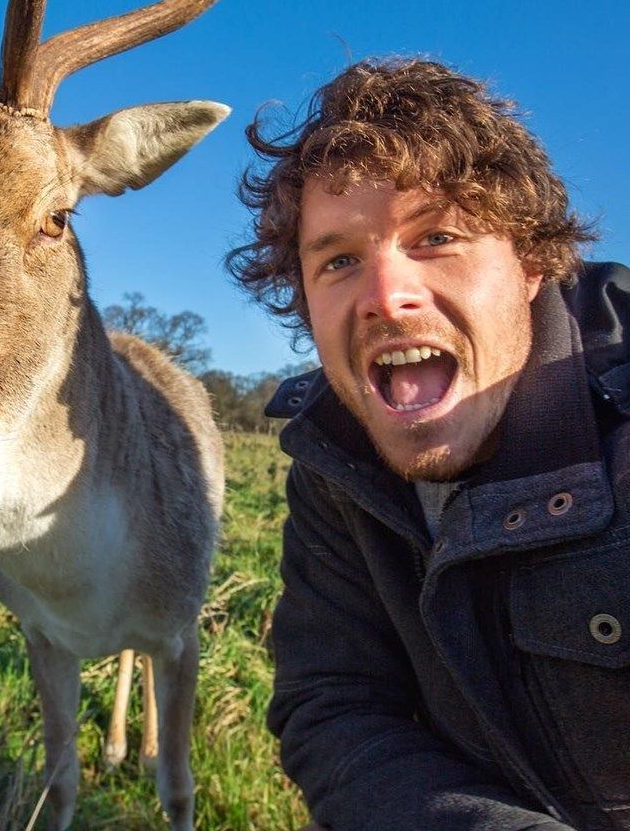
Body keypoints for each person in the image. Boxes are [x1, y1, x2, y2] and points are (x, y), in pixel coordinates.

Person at [228, 58, 630, 831]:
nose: (385, 296)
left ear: (531, 263)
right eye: (339, 260)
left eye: (438, 236)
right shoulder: (333, 465)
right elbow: (334, 704)